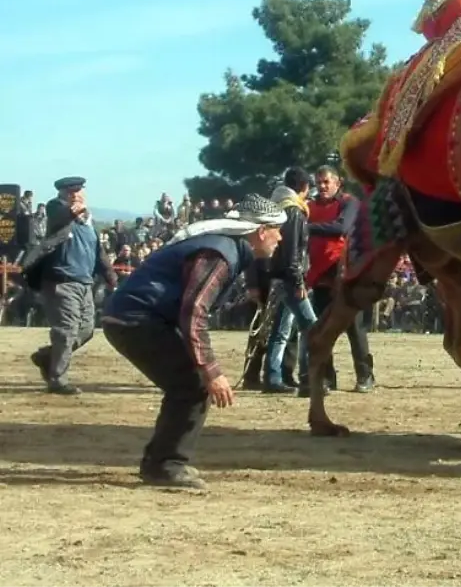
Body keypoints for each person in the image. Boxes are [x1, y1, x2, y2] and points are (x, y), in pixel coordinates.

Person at [100, 194, 286, 489]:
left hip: (134, 317)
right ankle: (166, 466)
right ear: (260, 231)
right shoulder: (221, 253)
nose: (280, 237)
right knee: (193, 384)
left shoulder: (225, 248)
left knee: (186, 384)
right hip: (136, 321)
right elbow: (194, 310)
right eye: (276, 229)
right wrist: (211, 370)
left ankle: (160, 462)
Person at [23, 176, 117, 394]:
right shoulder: (57, 212)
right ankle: (57, 379)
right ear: (62, 194)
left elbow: (99, 255)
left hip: (85, 284)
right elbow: (60, 216)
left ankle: (47, 356)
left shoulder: (89, 227)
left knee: (86, 330)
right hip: (60, 282)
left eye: (78, 191)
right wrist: (73, 210)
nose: (75, 195)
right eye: (70, 192)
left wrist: (111, 278)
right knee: (66, 332)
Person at [306, 165, 374, 393]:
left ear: (338, 182)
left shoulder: (349, 202)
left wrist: (307, 228)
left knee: (354, 327)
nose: (322, 186)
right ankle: (327, 378)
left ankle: (365, 376)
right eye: (319, 182)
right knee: (324, 328)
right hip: (319, 275)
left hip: (345, 272)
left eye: (326, 182)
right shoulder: (310, 206)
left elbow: (341, 227)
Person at [263, 167, 319, 394]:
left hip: (278, 276)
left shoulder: (277, 206)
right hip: (290, 278)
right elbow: (292, 252)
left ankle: (272, 376)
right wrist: (298, 282)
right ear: (304, 188)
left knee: (281, 330)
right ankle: (308, 377)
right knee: (312, 327)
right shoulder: (295, 211)